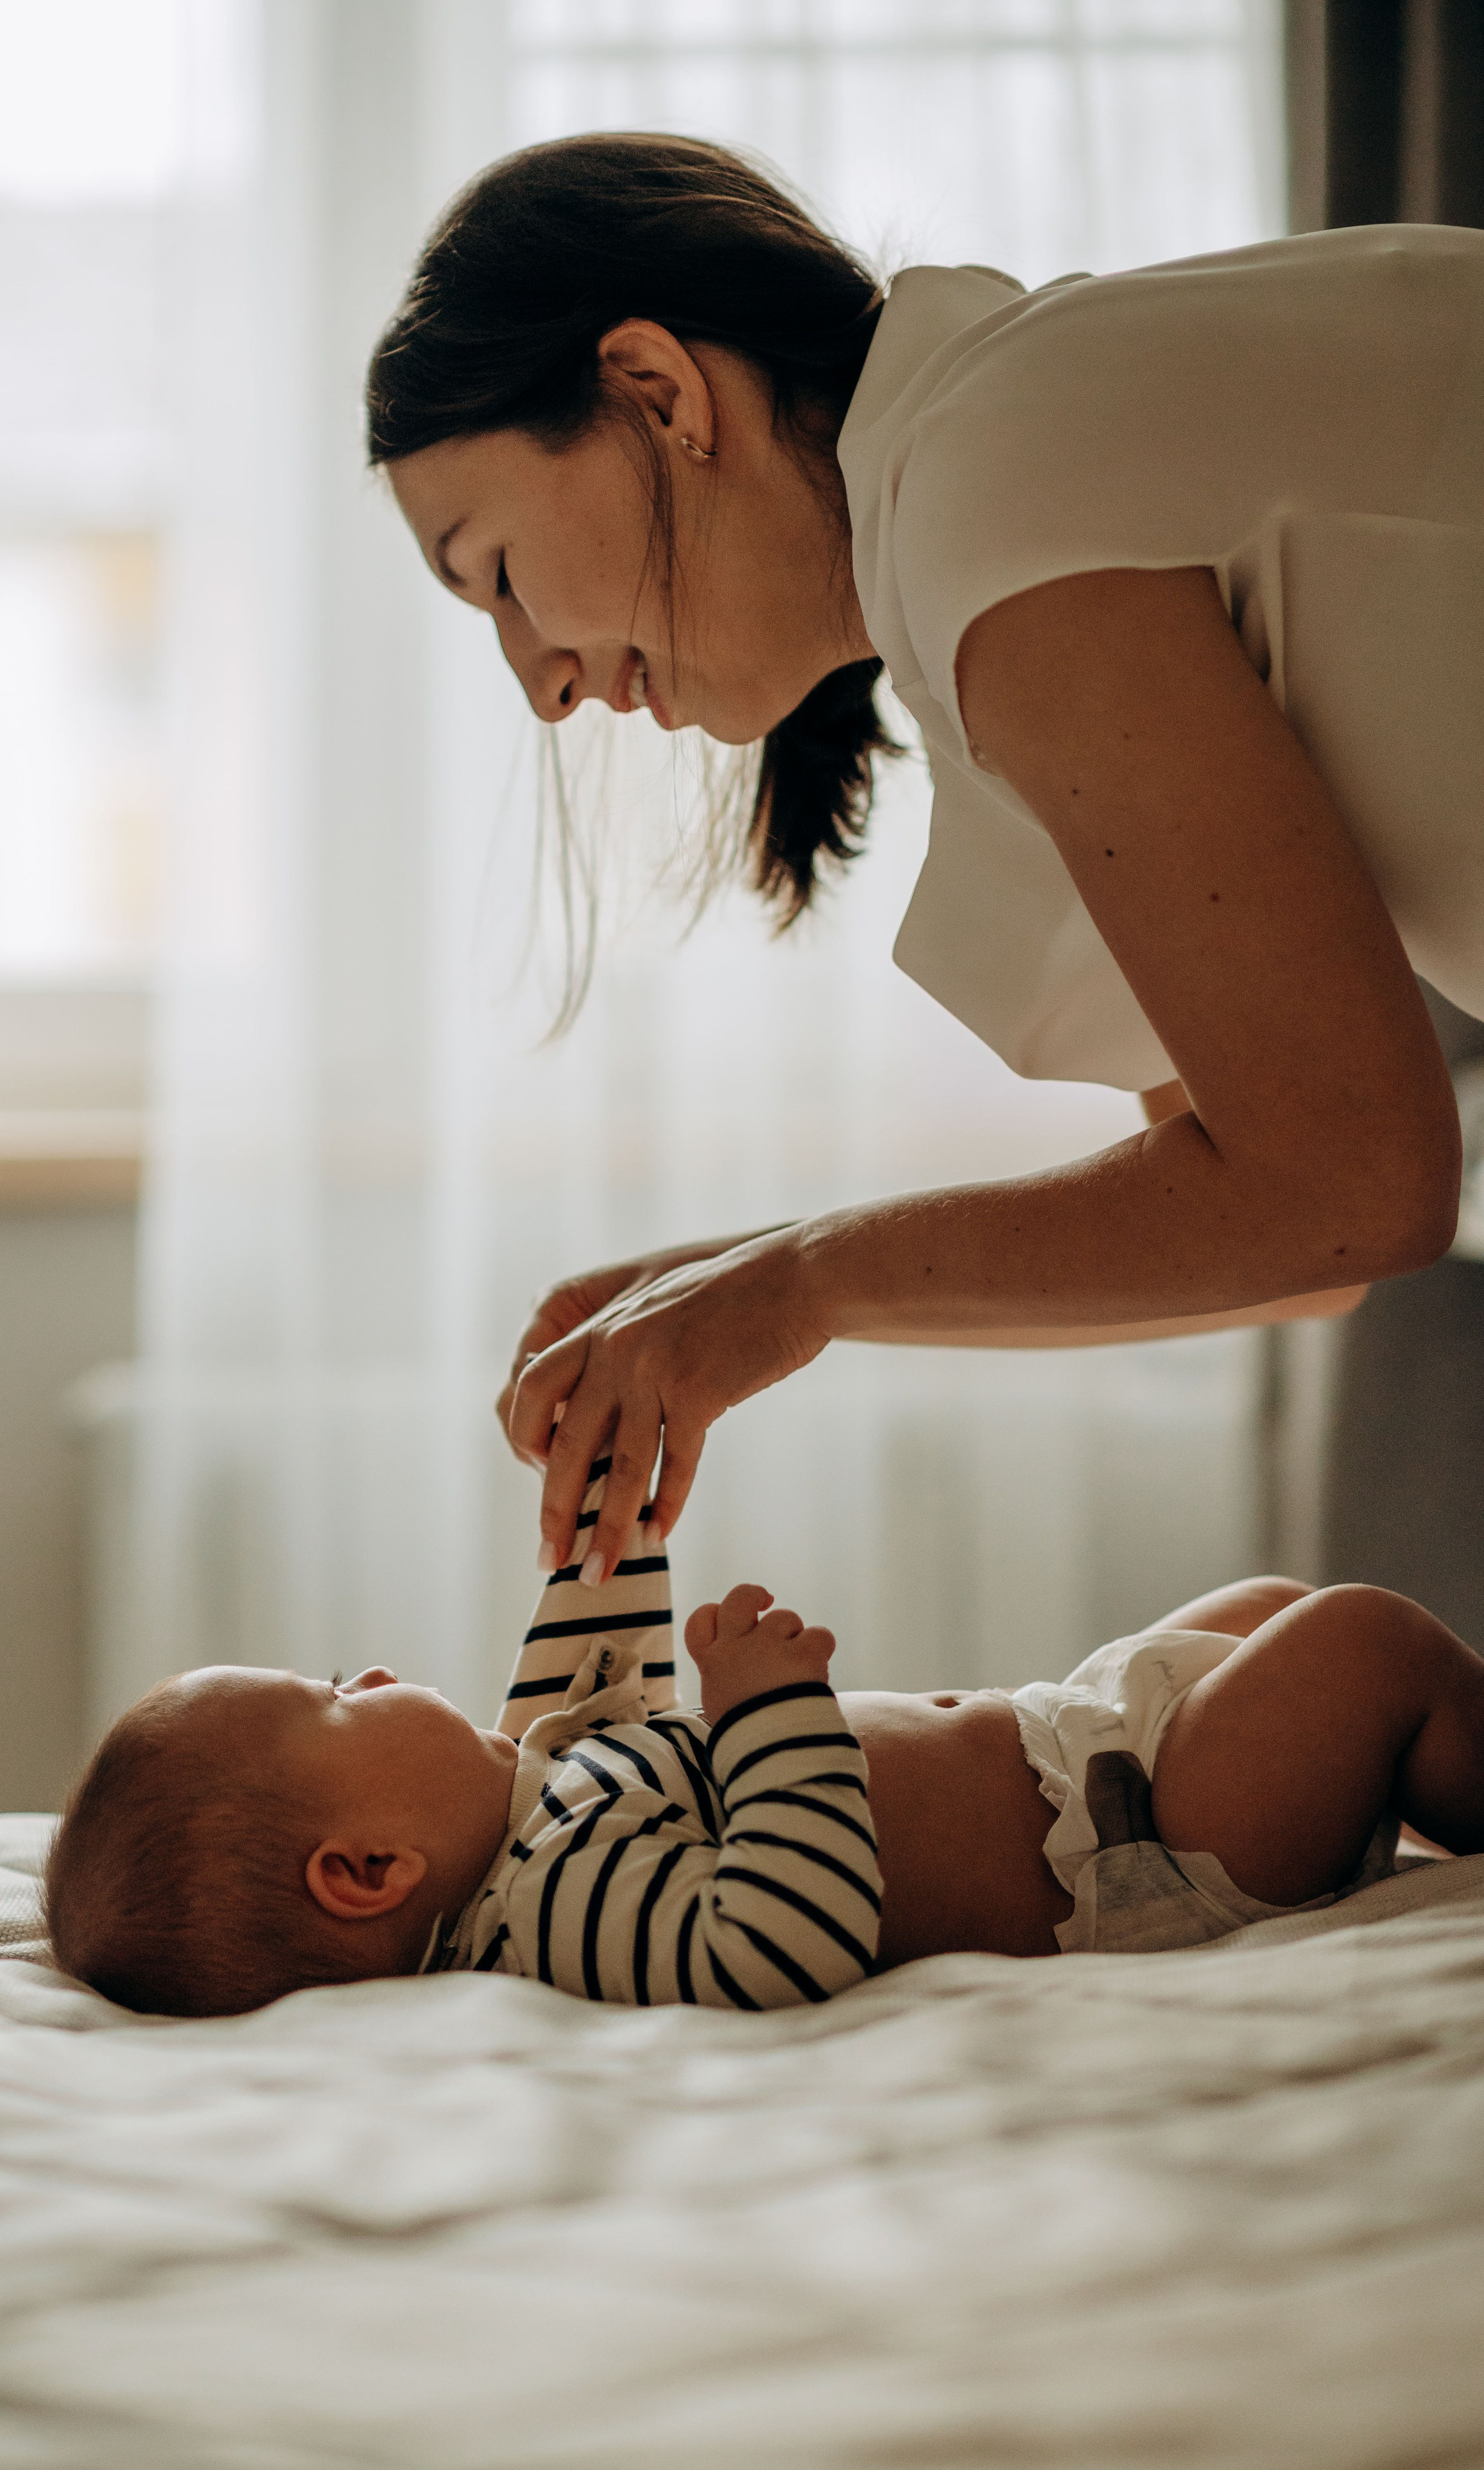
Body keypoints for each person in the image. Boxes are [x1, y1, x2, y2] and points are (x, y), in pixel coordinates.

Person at [370, 134, 1484, 1590]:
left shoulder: (997, 480)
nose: (542, 687)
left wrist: (798, 1281)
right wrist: (738, 1285)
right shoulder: (979, 498)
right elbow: (1301, 1244)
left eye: (498, 573)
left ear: (655, 391)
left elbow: (1349, 1187)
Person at [44, 1463, 1484, 2019]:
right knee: (1360, 1644)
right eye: (333, 1696)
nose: (366, 1667)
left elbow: (578, 1705)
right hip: (1135, 1848)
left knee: (1264, 1614)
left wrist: (607, 1518)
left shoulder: (536, 1805)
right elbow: (777, 1933)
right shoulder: (553, 1910)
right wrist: (761, 1719)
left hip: (1080, 1738)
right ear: (364, 1869)